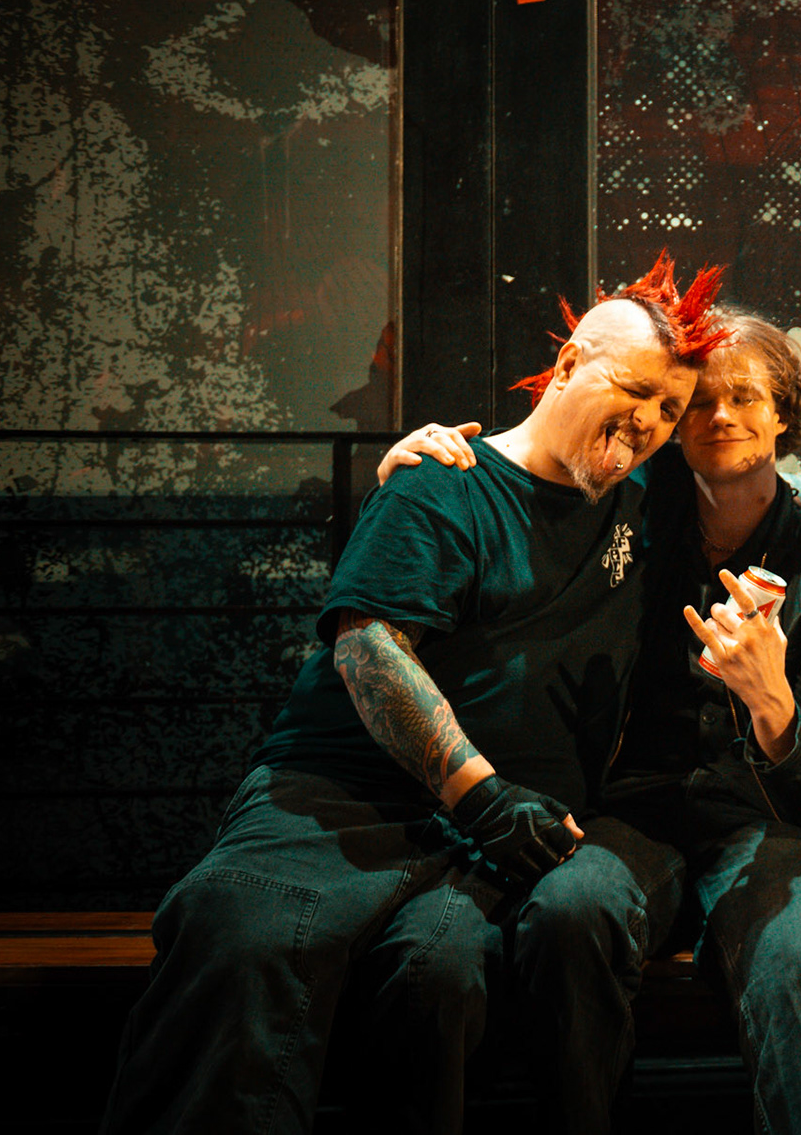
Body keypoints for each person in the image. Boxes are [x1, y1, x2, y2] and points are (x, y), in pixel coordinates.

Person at [101, 256, 725, 1135]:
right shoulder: (443, 482)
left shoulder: (640, 492)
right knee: (244, 940)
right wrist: (483, 795)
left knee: (438, 969)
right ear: (570, 363)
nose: (652, 421)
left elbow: (767, 482)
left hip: (492, 835)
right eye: (637, 390)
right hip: (345, 799)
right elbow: (370, 649)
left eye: (670, 408)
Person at [381, 306, 801, 1133]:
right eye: (699, 403)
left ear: (785, 417)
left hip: (768, 824)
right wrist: (427, 460)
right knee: (569, 913)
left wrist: (772, 701)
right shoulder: (632, 516)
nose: (720, 417)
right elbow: (531, 467)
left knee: (794, 958)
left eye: (747, 399)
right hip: (634, 808)